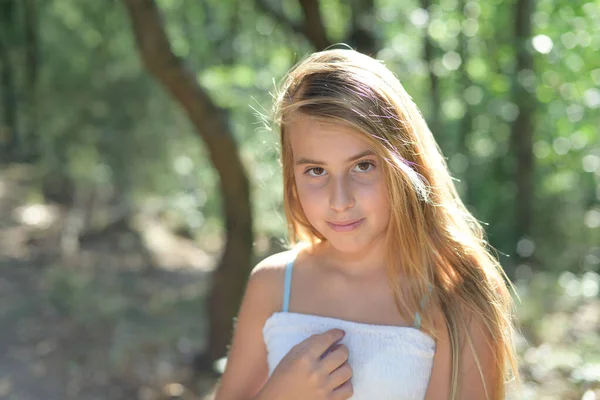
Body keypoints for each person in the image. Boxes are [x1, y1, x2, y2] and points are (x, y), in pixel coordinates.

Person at [213, 49, 520, 400]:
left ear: (405, 164)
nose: (340, 200)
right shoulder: (272, 284)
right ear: (291, 177)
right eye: (316, 171)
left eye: (363, 166)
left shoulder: (455, 296)